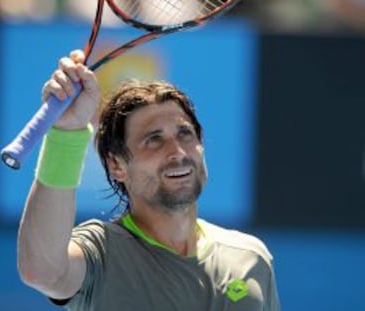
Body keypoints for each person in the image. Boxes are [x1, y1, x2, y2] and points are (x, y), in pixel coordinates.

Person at [17, 49, 281, 311]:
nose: (177, 152)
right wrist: (67, 131)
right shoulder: (102, 253)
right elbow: (43, 272)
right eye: (154, 140)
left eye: (185, 134)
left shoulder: (251, 257)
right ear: (116, 165)